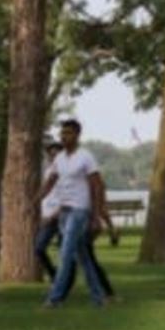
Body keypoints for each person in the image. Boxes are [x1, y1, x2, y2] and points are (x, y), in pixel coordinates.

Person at [34, 119, 112, 308]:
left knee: (65, 253)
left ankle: (54, 298)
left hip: (79, 210)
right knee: (83, 256)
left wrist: (95, 215)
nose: (64, 136)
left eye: (68, 133)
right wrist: (35, 200)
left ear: (77, 135)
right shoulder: (60, 159)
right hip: (64, 212)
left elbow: (97, 185)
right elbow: (50, 181)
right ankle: (99, 297)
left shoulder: (86, 157)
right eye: (62, 133)